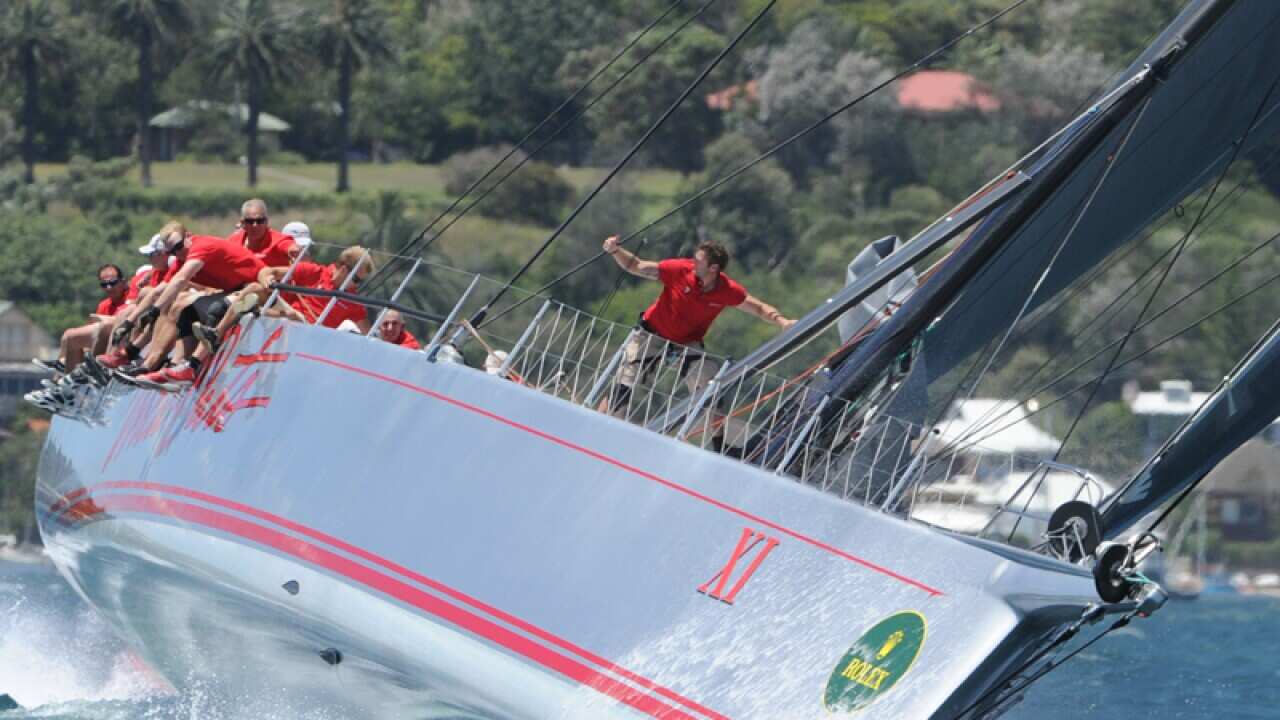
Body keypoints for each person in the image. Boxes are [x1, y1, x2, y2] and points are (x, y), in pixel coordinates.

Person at [600, 235, 794, 413]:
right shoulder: (679, 269)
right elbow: (638, 266)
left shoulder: (727, 290)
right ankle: (598, 420)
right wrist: (616, 251)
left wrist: (782, 321)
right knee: (625, 382)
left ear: (713, 268)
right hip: (652, 333)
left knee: (710, 387)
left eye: (698, 260)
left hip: (686, 344)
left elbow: (759, 308)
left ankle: (720, 443)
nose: (693, 262)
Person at [132, 231, 267, 388]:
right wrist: (143, 316)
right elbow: (164, 289)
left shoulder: (202, 247)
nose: (177, 253)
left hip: (254, 290)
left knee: (213, 309)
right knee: (187, 311)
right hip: (236, 291)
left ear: (188, 237)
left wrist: (267, 277)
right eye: (172, 252)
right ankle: (175, 366)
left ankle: (191, 366)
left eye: (179, 246)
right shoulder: (180, 260)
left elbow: (269, 272)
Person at [38, 264, 129, 374]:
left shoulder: (131, 299)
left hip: (122, 343)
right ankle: (60, 379)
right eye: (104, 284)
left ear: (123, 282)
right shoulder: (104, 305)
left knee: (75, 336)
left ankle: (67, 365)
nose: (108, 287)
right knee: (69, 334)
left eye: (113, 282)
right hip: (102, 343)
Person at [227, 198, 299, 267]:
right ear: (243, 223)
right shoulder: (233, 242)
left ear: (266, 222)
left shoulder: (277, 240)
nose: (255, 225)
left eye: (260, 221)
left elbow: (288, 245)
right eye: (250, 221)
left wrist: (293, 249)